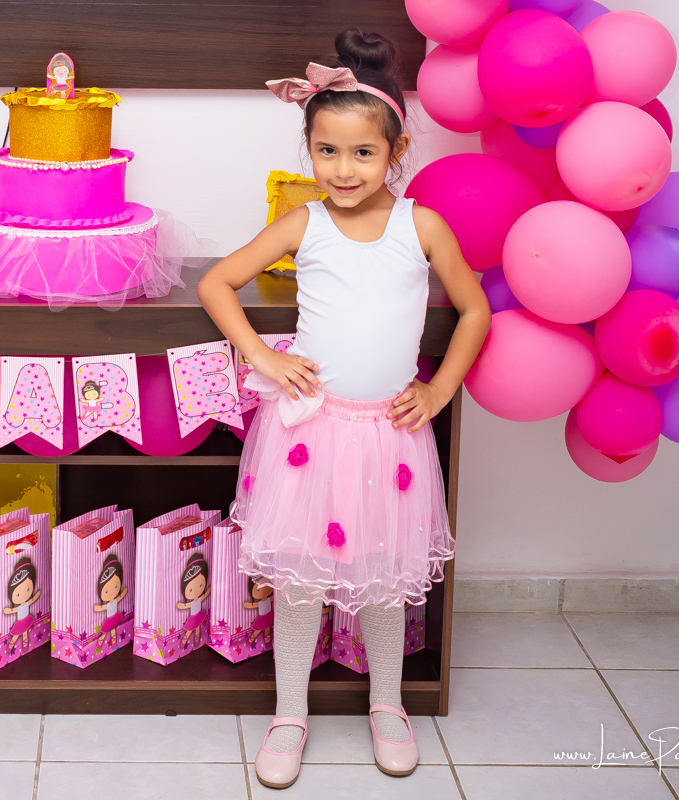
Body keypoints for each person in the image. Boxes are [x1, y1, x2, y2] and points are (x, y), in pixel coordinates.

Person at [197, 29, 489, 788]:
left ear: (397, 150)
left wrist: (439, 389)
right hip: (309, 438)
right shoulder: (305, 224)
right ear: (309, 149)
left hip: (388, 438)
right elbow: (217, 284)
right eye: (326, 151)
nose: (343, 169)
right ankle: (289, 712)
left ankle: (386, 705)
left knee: (384, 580)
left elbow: (476, 310)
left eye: (362, 153)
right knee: (299, 582)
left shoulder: (420, 226)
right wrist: (263, 356)